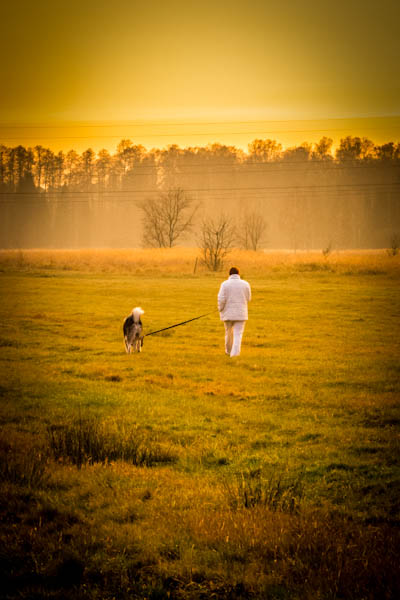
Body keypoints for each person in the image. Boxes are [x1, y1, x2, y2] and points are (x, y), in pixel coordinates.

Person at [218, 266, 251, 357]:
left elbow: (221, 299)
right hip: (241, 313)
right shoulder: (245, 284)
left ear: (229, 274)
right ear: (238, 274)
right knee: (238, 334)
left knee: (228, 333)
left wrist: (220, 309)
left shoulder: (224, 284)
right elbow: (248, 298)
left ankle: (228, 351)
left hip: (227, 314)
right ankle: (235, 354)